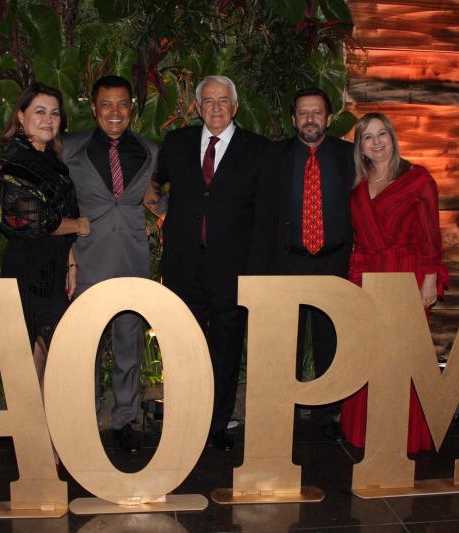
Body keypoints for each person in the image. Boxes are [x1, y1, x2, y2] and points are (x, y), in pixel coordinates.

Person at [146, 75, 271, 451]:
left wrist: (257, 269)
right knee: (182, 342)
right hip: (184, 263)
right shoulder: (177, 143)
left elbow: (265, 214)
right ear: (197, 107)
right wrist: (164, 212)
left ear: (235, 107)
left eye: (223, 101)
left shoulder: (258, 150)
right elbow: (150, 181)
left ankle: (218, 424)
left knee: (227, 345)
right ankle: (185, 417)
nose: (215, 108)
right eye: (208, 101)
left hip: (233, 268)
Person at [340, 112, 449, 454]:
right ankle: (366, 432)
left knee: (405, 355)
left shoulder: (418, 180)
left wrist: (429, 281)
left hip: (406, 275)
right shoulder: (357, 185)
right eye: (368, 137)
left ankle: (406, 434)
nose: (376, 142)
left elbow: (431, 235)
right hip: (368, 276)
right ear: (361, 147)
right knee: (369, 355)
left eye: (382, 134)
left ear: (392, 137)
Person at [62, 75, 158, 454]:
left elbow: (157, 198)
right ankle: (82, 420)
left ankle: (123, 421)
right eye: (107, 104)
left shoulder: (150, 152)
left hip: (132, 262)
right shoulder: (69, 148)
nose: (114, 112)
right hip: (85, 261)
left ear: (132, 108)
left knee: (127, 347)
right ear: (94, 108)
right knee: (83, 345)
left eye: (122, 104)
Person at [266, 88, 356, 443]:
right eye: (303, 112)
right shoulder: (275, 156)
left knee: (328, 341)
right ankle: (281, 410)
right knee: (285, 341)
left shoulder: (350, 156)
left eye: (316, 112)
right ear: (293, 119)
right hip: (288, 261)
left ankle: (325, 414)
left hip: (333, 260)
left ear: (329, 119)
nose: (309, 119)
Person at [0, 83, 90, 385]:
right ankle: (39, 428)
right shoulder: (15, 162)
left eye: (54, 113)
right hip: (27, 270)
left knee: (44, 355)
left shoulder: (53, 162)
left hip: (52, 266)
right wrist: (78, 226)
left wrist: (70, 262)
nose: (48, 119)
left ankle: (40, 429)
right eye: (39, 112)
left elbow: (59, 219)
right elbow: (38, 220)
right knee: (48, 356)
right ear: (21, 117)